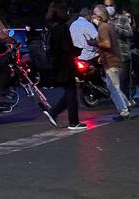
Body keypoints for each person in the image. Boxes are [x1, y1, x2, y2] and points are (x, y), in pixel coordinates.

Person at [45, 2, 86, 130]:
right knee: (71, 92)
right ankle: (73, 122)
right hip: (65, 64)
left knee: (70, 92)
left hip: (59, 64)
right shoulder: (62, 28)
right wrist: (78, 50)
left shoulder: (52, 27)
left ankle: (54, 112)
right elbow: (67, 47)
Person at [90, 5, 130, 119]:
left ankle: (124, 112)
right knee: (113, 86)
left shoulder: (103, 27)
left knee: (114, 89)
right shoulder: (110, 25)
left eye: (94, 14)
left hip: (111, 61)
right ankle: (127, 104)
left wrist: (94, 43)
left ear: (100, 16)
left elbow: (107, 44)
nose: (92, 17)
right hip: (114, 60)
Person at [104, 0, 134, 105]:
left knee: (123, 84)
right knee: (113, 85)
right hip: (110, 57)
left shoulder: (123, 18)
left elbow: (129, 34)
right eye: (106, 6)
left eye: (110, 5)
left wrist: (116, 29)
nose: (108, 8)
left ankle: (126, 109)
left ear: (115, 6)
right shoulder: (104, 20)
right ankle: (122, 109)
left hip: (123, 55)